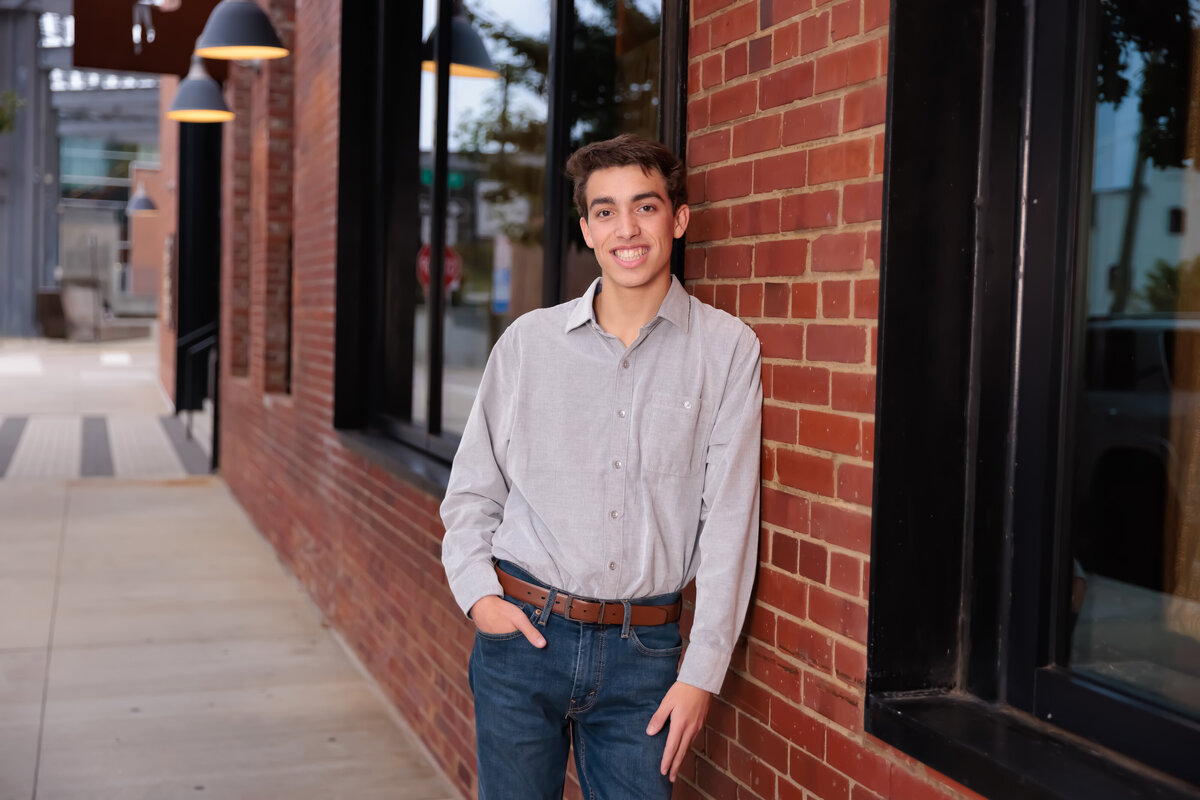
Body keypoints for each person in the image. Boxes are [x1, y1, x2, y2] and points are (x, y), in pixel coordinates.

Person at [441, 133, 762, 800]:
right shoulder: (529, 345)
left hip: (643, 659)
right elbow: (473, 492)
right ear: (587, 229)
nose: (628, 229)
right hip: (523, 638)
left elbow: (730, 522)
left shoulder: (727, 350)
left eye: (645, 207)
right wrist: (478, 596)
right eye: (606, 211)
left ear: (678, 219)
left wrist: (702, 673)